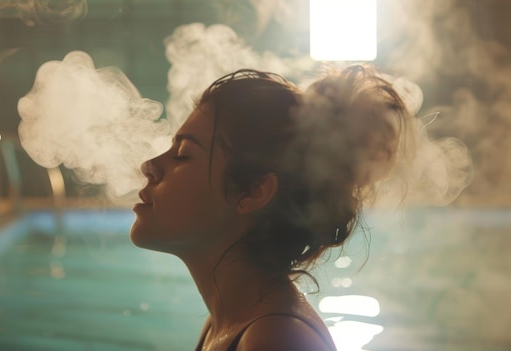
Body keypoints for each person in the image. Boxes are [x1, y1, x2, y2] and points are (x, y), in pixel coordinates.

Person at [130, 65, 411, 351]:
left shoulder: (276, 338)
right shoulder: (231, 323)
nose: (149, 166)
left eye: (182, 155)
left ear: (253, 192)